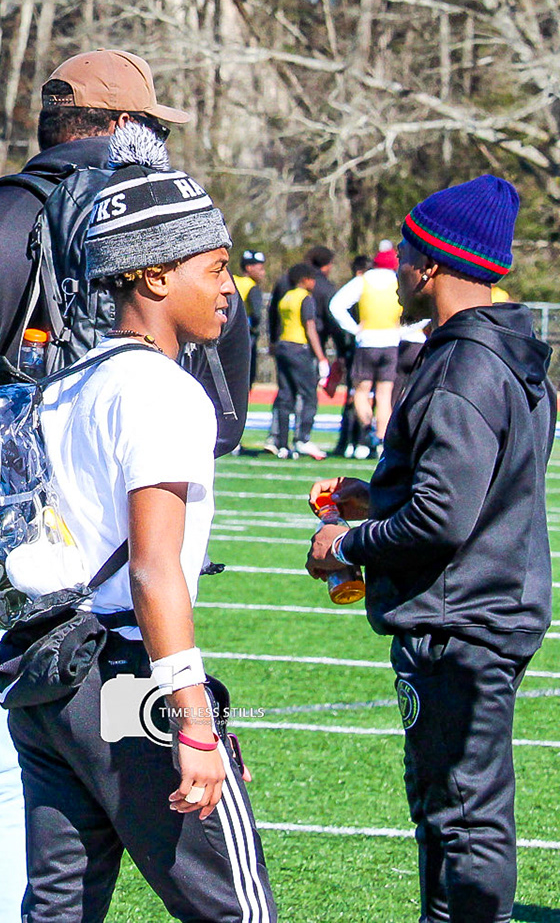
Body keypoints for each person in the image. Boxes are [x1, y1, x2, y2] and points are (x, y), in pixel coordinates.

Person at [0, 50, 250, 923]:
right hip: (128, 593)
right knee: (206, 872)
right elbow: (224, 404)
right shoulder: (173, 226)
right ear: (126, 128)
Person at [15, 151, 275, 922]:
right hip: (128, 676)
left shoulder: (67, 383)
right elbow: (154, 571)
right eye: (215, 268)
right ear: (155, 275)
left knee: (60, 908)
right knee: (237, 909)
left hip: (50, 674)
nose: (229, 288)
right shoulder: (164, 391)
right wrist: (193, 716)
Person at [306, 175, 550, 923]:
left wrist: (347, 544)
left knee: (461, 815)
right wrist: (379, 496)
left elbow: (443, 519)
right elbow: (479, 488)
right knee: (455, 809)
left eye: (406, 253)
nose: (398, 268)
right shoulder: (500, 351)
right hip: (485, 605)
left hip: (460, 621)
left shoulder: (464, 364)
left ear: (431, 265)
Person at [329, 243, 403, 459]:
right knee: (384, 396)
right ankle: (380, 440)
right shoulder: (397, 280)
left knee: (361, 392)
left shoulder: (364, 280)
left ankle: (367, 431)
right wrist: (403, 330)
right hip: (391, 343)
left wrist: (354, 329)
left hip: (367, 342)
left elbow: (336, 305)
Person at [268, 263, 329, 460]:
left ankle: (281, 443)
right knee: (309, 394)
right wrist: (321, 356)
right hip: (298, 348)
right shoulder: (305, 298)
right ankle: (302, 438)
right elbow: (310, 328)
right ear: (305, 280)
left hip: (283, 346)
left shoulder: (286, 297)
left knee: (285, 395)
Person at [235, 249, 268, 386]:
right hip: (245, 336)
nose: (263, 273)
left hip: (226, 335)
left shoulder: (231, 281)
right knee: (247, 377)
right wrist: (254, 328)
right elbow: (257, 314)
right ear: (249, 268)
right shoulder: (252, 287)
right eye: (260, 269)